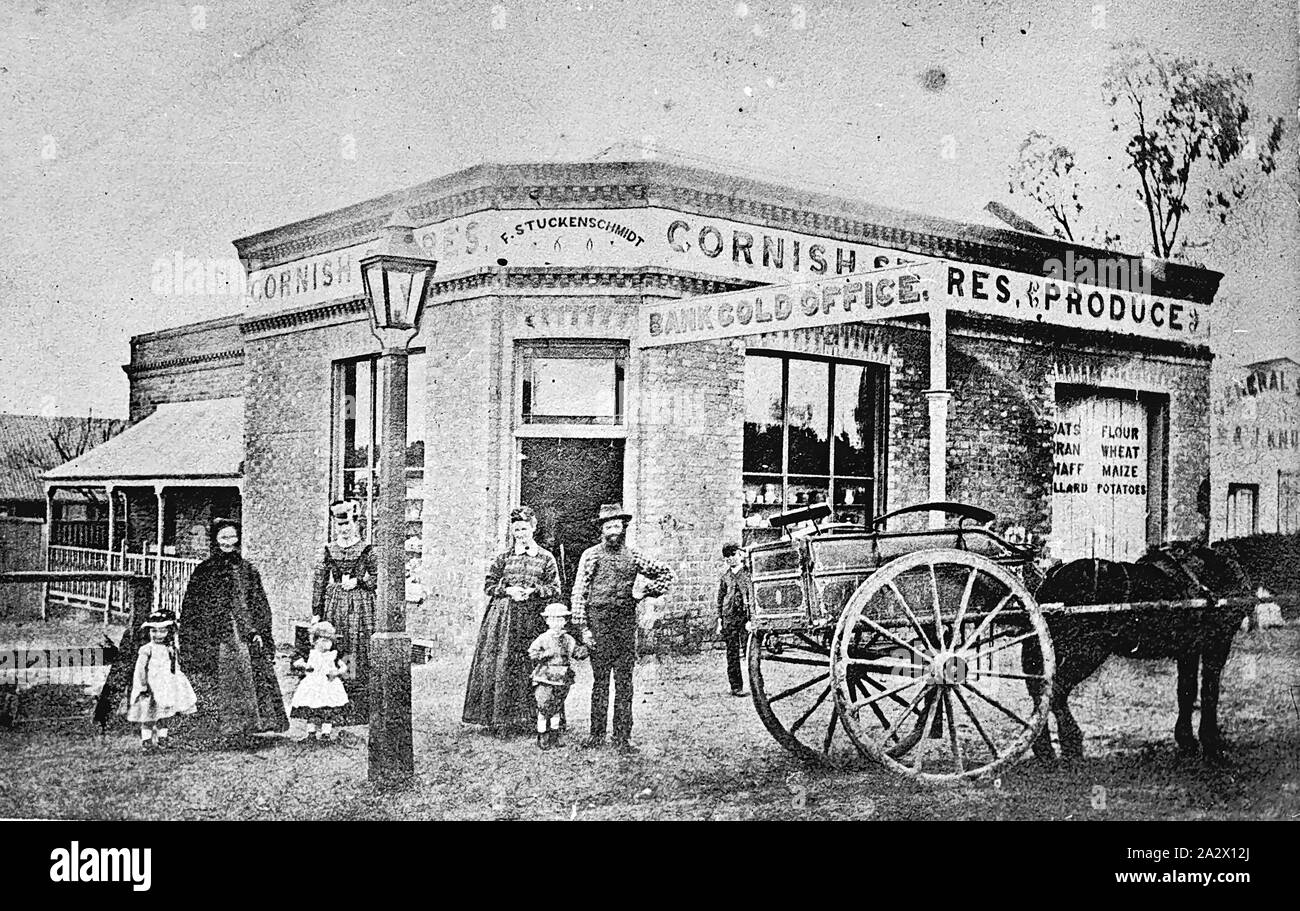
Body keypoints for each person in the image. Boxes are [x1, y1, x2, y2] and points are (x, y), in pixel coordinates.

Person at [571, 503, 674, 752]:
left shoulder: (634, 555)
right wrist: (583, 629)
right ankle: (596, 736)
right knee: (600, 682)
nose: (614, 530)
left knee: (625, 682)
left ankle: (622, 738)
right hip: (599, 623)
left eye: (617, 525)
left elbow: (667, 575)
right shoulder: (591, 555)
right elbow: (579, 593)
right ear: (602, 530)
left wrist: (644, 591)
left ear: (623, 528)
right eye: (609, 526)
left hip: (625, 624)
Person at [178, 518, 289, 746]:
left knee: (248, 675)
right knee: (223, 677)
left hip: (244, 632)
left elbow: (259, 603)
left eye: (232, 537)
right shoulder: (205, 570)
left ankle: (249, 726)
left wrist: (260, 630)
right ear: (216, 540)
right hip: (215, 634)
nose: (228, 542)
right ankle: (225, 726)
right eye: (223, 538)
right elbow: (193, 606)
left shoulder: (247, 569)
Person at [463, 506, 561, 733]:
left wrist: (534, 592)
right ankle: (502, 720)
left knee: (534, 664)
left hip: (533, 620)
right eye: (516, 530)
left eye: (524, 529)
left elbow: (555, 588)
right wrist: (508, 591)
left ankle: (535, 719)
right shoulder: (503, 558)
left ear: (533, 529)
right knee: (504, 665)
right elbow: (489, 585)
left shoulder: (546, 558)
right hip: (503, 622)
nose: (520, 534)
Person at [310, 500, 377, 724]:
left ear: (356, 523)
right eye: (340, 525)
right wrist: (316, 612)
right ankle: (333, 706)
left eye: (348, 523)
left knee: (356, 648)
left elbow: (378, 577)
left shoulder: (367, 549)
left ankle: (358, 708)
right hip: (336, 606)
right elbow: (319, 580)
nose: (344, 529)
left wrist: (359, 581)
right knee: (335, 648)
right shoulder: (329, 550)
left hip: (360, 606)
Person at [127, 608, 197, 751]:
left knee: (164, 714)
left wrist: (177, 683)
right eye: (154, 631)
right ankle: (146, 742)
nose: (158, 635)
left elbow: (174, 667)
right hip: (150, 687)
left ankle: (162, 740)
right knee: (148, 714)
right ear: (148, 631)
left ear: (169, 632)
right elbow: (140, 669)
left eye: (162, 631)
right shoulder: (147, 649)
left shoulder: (170, 649)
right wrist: (142, 686)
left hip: (165, 687)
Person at [527, 603, 578, 751]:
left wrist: (585, 650)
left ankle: (555, 734)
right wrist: (544, 655)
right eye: (553, 619)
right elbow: (533, 652)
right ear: (547, 621)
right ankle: (542, 734)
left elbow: (575, 651)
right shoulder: (543, 638)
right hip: (545, 676)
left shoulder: (568, 639)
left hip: (562, 677)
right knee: (544, 706)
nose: (557, 623)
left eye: (560, 619)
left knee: (557, 706)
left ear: (565, 621)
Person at [290, 619, 349, 743]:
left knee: (328, 710)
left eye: (329, 641)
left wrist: (336, 672)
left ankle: (325, 734)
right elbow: (297, 662)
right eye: (323, 641)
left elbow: (344, 667)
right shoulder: (311, 653)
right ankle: (311, 733)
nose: (327, 644)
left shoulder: (333, 655)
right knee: (311, 710)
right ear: (315, 641)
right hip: (313, 685)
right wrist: (305, 665)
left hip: (329, 685)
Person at [716, 543, 750, 697]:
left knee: (749, 652)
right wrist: (720, 620)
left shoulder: (748, 574)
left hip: (745, 618)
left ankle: (756, 685)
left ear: (740, 555)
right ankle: (736, 686)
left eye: (733, 554)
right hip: (729, 618)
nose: (730, 558)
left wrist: (751, 618)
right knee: (732, 653)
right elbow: (720, 599)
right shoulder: (725, 578)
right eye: (727, 556)